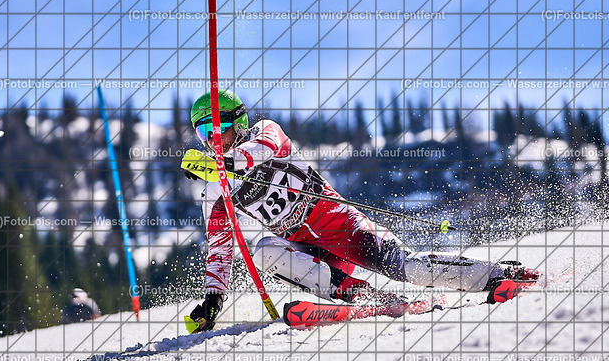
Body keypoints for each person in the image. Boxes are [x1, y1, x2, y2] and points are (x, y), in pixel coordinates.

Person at [185, 89, 537, 333]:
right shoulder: (215, 188)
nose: (212, 138)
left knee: (408, 266)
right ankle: (362, 296)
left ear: (239, 122)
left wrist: (222, 164)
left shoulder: (265, 134)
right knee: (264, 251)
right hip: (310, 253)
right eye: (204, 132)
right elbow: (220, 248)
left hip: (344, 227)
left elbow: (256, 153)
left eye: (218, 127)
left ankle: (499, 275)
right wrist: (213, 299)